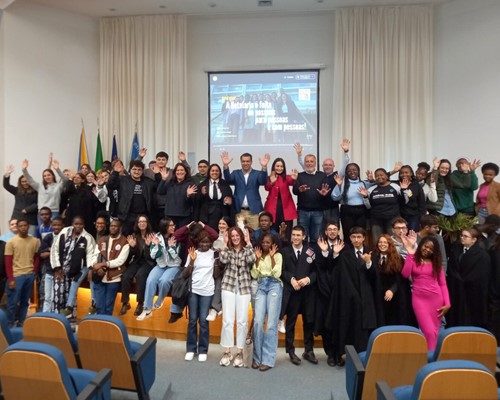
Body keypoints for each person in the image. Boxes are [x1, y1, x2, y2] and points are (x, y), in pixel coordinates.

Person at [331, 227, 383, 363]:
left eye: (359, 237)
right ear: (350, 238)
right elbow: (341, 276)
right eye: (353, 237)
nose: (356, 240)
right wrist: (353, 293)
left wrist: (368, 263)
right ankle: (345, 354)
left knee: (364, 328)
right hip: (349, 298)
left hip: (367, 297)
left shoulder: (371, 253)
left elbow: (375, 277)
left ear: (364, 238)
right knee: (348, 326)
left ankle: (363, 357)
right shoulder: (345, 254)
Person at [401, 232, 450, 350]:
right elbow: (405, 274)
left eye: (431, 249)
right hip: (419, 300)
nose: (427, 250)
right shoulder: (413, 259)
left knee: (434, 332)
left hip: (436, 299)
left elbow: (443, 284)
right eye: (425, 246)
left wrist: (448, 303)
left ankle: (431, 355)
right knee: (428, 331)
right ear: (421, 244)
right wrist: (410, 253)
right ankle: (432, 356)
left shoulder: (436, 263)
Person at [219, 226, 256, 367]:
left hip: (244, 287)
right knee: (227, 320)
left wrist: (248, 243)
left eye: (237, 235)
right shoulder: (228, 250)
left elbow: (252, 259)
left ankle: (240, 352)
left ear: (241, 236)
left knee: (242, 321)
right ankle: (227, 351)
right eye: (232, 236)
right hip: (228, 286)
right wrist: (224, 244)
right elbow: (223, 260)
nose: (235, 238)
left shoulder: (247, 249)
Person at [281, 225, 318, 366]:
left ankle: (309, 350)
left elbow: (316, 271)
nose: (295, 237)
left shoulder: (311, 252)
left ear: (304, 237)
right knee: (290, 322)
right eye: (293, 235)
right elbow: (282, 270)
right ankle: (291, 351)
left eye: (298, 235)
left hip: (307, 293)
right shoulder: (285, 251)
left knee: (308, 322)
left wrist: (308, 279)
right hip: (292, 293)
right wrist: (291, 279)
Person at [137, 219, 183, 323]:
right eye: (170, 225)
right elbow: (153, 256)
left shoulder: (176, 237)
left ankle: (159, 301)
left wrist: (171, 248)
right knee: (150, 280)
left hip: (174, 266)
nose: (173, 227)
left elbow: (176, 258)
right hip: (161, 265)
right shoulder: (156, 237)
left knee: (164, 281)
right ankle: (147, 309)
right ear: (164, 227)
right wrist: (156, 245)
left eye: (173, 225)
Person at [50, 216, 96, 317]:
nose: (78, 226)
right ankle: (56, 319)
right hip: (61, 270)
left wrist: (90, 269)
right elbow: (55, 249)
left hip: (76, 270)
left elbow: (91, 255)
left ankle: (72, 316)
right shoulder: (64, 232)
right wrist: (57, 267)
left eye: (81, 224)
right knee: (57, 296)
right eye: (76, 224)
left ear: (84, 225)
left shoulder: (87, 237)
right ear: (72, 224)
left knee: (73, 293)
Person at [250, 233, 283, 371]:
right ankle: (257, 357)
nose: (265, 244)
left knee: (270, 324)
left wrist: (272, 257)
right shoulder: (258, 255)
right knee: (258, 322)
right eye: (263, 242)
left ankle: (268, 359)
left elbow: (277, 274)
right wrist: (257, 259)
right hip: (261, 286)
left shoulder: (278, 256)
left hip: (274, 285)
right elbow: (254, 274)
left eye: (268, 242)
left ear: (273, 244)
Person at [446, 227, 490, 328]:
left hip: (472, 292)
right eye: (461, 235)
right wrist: (457, 278)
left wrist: (465, 279)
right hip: (456, 289)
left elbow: (481, 274)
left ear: (474, 239)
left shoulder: (482, 255)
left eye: (465, 236)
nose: (462, 238)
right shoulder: (456, 249)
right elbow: (452, 267)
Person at [315, 222, 345, 367]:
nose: (332, 232)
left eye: (335, 229)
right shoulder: (319, 245)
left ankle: (338, 354)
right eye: (330, 230)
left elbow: (340, 268)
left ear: (338, 231)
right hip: (324, 291)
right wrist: (326, 253)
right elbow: (320, 267)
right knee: (326, 324)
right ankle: (330, 354)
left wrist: (336, 254)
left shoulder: (344, 246)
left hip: (339, 291)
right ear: (326, 232)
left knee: (339, 323)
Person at [184, 231, 217, 362]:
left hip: (207, 291)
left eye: (207, 242)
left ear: (211, 242)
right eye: (202, 242)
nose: (205, 244)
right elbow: (185, 273)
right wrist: (192, 261)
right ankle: (191, 349)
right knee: (192, 320)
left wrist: (217, 262)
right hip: (193, 289)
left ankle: (203, 350)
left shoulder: (214, 254)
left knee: (203, 321)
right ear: (198, 242)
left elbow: (216, 274)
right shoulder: (193, 253)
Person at [4, 219, 40, 327]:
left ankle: (21, 321)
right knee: (12, 302)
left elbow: (36, 258)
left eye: (25, 225)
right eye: (20, 226)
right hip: (16, 276)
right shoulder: (11, 242)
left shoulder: (35, 241)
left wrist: (34, 272)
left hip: (29, 275)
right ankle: (10, 324)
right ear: (17, 227)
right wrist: (11, 279)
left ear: (28, 226)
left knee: (25, 301)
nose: (23, 227)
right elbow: (8, 262)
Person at [90, 219, 130, 315]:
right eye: (111, 226)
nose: (113, 228)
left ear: (120, 228)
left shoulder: (124, 242)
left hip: (113, 278)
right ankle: (99, 324)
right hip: (99, 277)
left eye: (115, 226)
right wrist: (96, 267)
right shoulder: (102, 240)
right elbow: (94, 256)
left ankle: (106, 324)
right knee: (99, 306)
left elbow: (120, 261)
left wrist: (103, 264)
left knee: (108, 307)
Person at [221, 151, 270, 229]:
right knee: (239, 233)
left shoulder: (257, 173)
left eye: (247, 161)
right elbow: (228, 180)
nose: (245, 163)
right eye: (243, 161)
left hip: (254, 211)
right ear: (241, 162)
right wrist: (226, 166)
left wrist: (264, 167)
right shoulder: (236, 173)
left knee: (255, 233)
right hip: (239, 211)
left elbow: (263, 181)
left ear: (251, 162)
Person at [106, 159, 156, 235]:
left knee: (143, 237)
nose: (137, 171)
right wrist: (115, 172)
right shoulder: (122, 180)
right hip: (127, 216)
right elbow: (110, 185)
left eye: (139, 169)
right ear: (130, 170)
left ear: (142, 171)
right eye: (134, 169)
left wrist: (157, 175)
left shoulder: (148, 182)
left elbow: (158, 189)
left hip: (143, 216)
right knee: (127, 238)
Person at [120, 215, 156, 316]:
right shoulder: (135, 235)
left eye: (144, 221)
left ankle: (140, 303)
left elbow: (152, 256)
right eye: (140, 222)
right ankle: (125, 302)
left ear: (147, 223)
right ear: (137, 224)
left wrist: (148, 246)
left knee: (140, 275)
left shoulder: (153, 236)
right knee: (126, 275)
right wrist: (133, 247)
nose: (142, 223)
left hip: (149, 262)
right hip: (137, 261)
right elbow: (133, 254)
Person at [373, 234, 412, 325]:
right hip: (379, 296)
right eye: (380, 242)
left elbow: (401, 278)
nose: (382, 244)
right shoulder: (373, 258)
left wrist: (392, 290)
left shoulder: (398, 259)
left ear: (390, 244)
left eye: (385, 242)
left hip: (395, 296)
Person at [293, 154, 331, 244]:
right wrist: (299, 190)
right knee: (302, 238)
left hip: (318, 212)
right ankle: (304, 253)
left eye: (311, 161)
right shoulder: (299, 175)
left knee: (316, 238)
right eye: (307, 161)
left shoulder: (322, 175)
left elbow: (327, 190)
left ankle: (315, 253)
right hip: (303, 211)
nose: (309, 163)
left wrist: (324, 194)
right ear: (304, 163)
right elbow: (294, 191)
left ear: (315, 163)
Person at [359, 168, 402, 244]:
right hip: (376, 220)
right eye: (377, 176)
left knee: (392, 241)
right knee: (377, 241)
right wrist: (365, 197)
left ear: (387, 176)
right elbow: (368, 206)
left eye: (381, 175)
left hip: (392, 219)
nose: (379, 177)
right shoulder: (371, 189)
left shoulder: (396, 187)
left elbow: (403, 201)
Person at [332, 163, 372, 243]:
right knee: (348, 233)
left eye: (354, 170)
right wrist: (339, 186)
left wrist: (372, 180)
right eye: (349, 171)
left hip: (362, 211)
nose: (352, 172)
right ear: (346, 173)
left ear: (358, 171)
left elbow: (376, 186)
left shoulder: (364, 183)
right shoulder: (342, 183)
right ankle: (348, 250)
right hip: (347, 211)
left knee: (361, 233)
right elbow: (334, 197)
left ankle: (360, 250)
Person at [22, 156, 68, 223]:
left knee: (54, 229)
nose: (47, 177)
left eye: (49, 175)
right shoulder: (39, 186)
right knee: (42, 229)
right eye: (44, 176)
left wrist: (57, 169)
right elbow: (30, 180)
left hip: (54, 211)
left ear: (53, 176)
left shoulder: (58, 186)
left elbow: (66, 180)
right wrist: (24, 170)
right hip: (42, 212)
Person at [264, 157, 298, 236]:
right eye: (277, 166)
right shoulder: (269, 177)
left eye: (281, 166)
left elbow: (291, 181)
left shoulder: (287, 177)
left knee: (287, 234)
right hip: (272, 210)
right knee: (273, 234)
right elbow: (267, 188)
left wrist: (294, 179)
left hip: (286, 210)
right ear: (274, 167)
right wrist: (271, 182)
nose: (279, 168)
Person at [157, 162, 197, 228]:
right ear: (175, 172)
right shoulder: (170, 183)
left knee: (182, 233)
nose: (179, 172)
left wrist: (188, 195)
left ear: (185, 172)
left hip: (184, 216)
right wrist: (163, 179)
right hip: (170, 214)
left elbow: (193, 201)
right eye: (177, 170)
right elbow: (160, 191)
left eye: (182, 170)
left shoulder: (190, 184)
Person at [196, 163, 233, 231]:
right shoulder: (202, 185)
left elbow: (230, 199)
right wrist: (201, 194)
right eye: (212, 171)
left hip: (221, 215)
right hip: (206, 216)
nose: (214, 172)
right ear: (209, 172)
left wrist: (230, 202)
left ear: (219, 172)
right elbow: (197, 201)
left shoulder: (225, 184)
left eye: (216, 171)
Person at [3, 164, 38, 236]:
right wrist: (7, 175)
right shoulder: (17, 191)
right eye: (23, 181)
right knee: (16, 238)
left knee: (30, 238)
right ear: (20, 183)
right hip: (17, 218)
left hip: (31, 219)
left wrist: (28, 209)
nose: (25, 183)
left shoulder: (36, 191)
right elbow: (6, 186)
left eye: (26, 181)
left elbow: (38, 204)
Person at [39, 217, 64, 312]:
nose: (56, 227)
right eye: (54, 225)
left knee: (57, 297)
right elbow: (42, 254)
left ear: (63, 226)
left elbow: (64, 254)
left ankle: (56, 316)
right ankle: (45, 315)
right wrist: (53, 252)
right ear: (51, 225)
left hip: (61, 272)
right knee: (47, 297)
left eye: (59, 225)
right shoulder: (48, 237)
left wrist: (51, 250)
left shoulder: (66, 237)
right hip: (49, 270)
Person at [62, 172, 99, 236]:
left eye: (78, 178)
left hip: (83, 213)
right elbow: (65, 193)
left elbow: (90, 200)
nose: (76, 179)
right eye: (75, 177)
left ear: (83, 180)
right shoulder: (71, 187)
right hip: (72, 213)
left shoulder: (87, 188)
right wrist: (70, 180)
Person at [398, 165, 426, 231]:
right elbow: (384, 178)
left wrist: (421, 217)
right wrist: (393, 171)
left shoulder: (416, 185)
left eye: (406, 172)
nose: (404, 174)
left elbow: (421, 202)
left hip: (413, 216)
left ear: (411, 173)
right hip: (400, 216)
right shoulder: (396, 184)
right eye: (402, 173)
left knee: (412, 234)